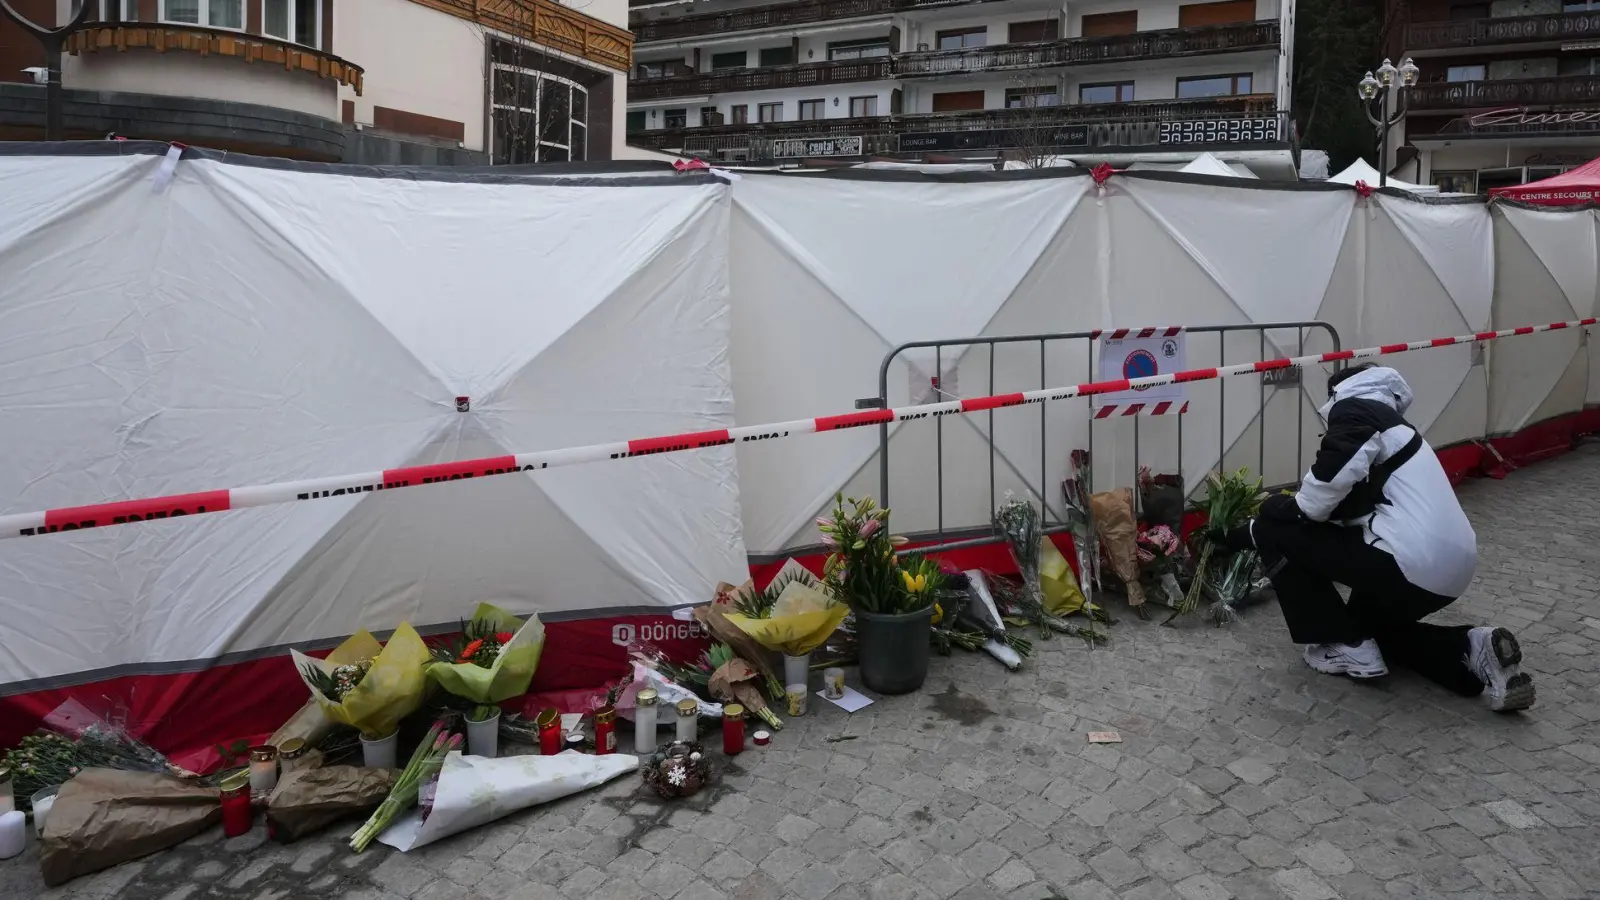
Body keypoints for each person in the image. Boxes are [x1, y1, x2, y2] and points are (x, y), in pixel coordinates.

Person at [1221, 363, 1535, 712]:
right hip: (1450, 570)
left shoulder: (1355, 406)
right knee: (1373, 633)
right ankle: (1471, 648)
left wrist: (1276, 514)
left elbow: (1325, 489)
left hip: (1410, 560)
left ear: (1337, 390)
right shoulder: (1396, 427)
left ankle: (1340, 643)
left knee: (1274, 528)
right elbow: (1352, 504)